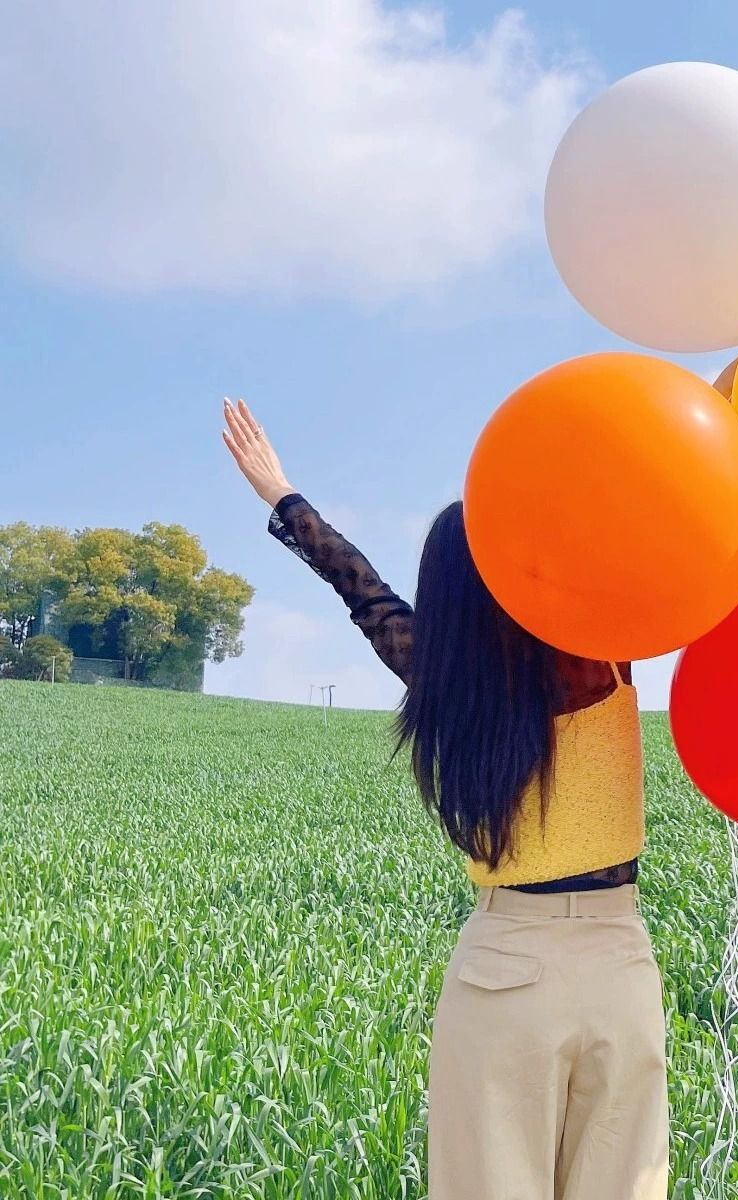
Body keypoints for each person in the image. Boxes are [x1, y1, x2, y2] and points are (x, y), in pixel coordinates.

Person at [222, 397, 669, 1199]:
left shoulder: (444, 680)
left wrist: (283, 496)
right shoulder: (602, 655)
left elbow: (363, 590)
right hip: (619, 967)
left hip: (502, 974)